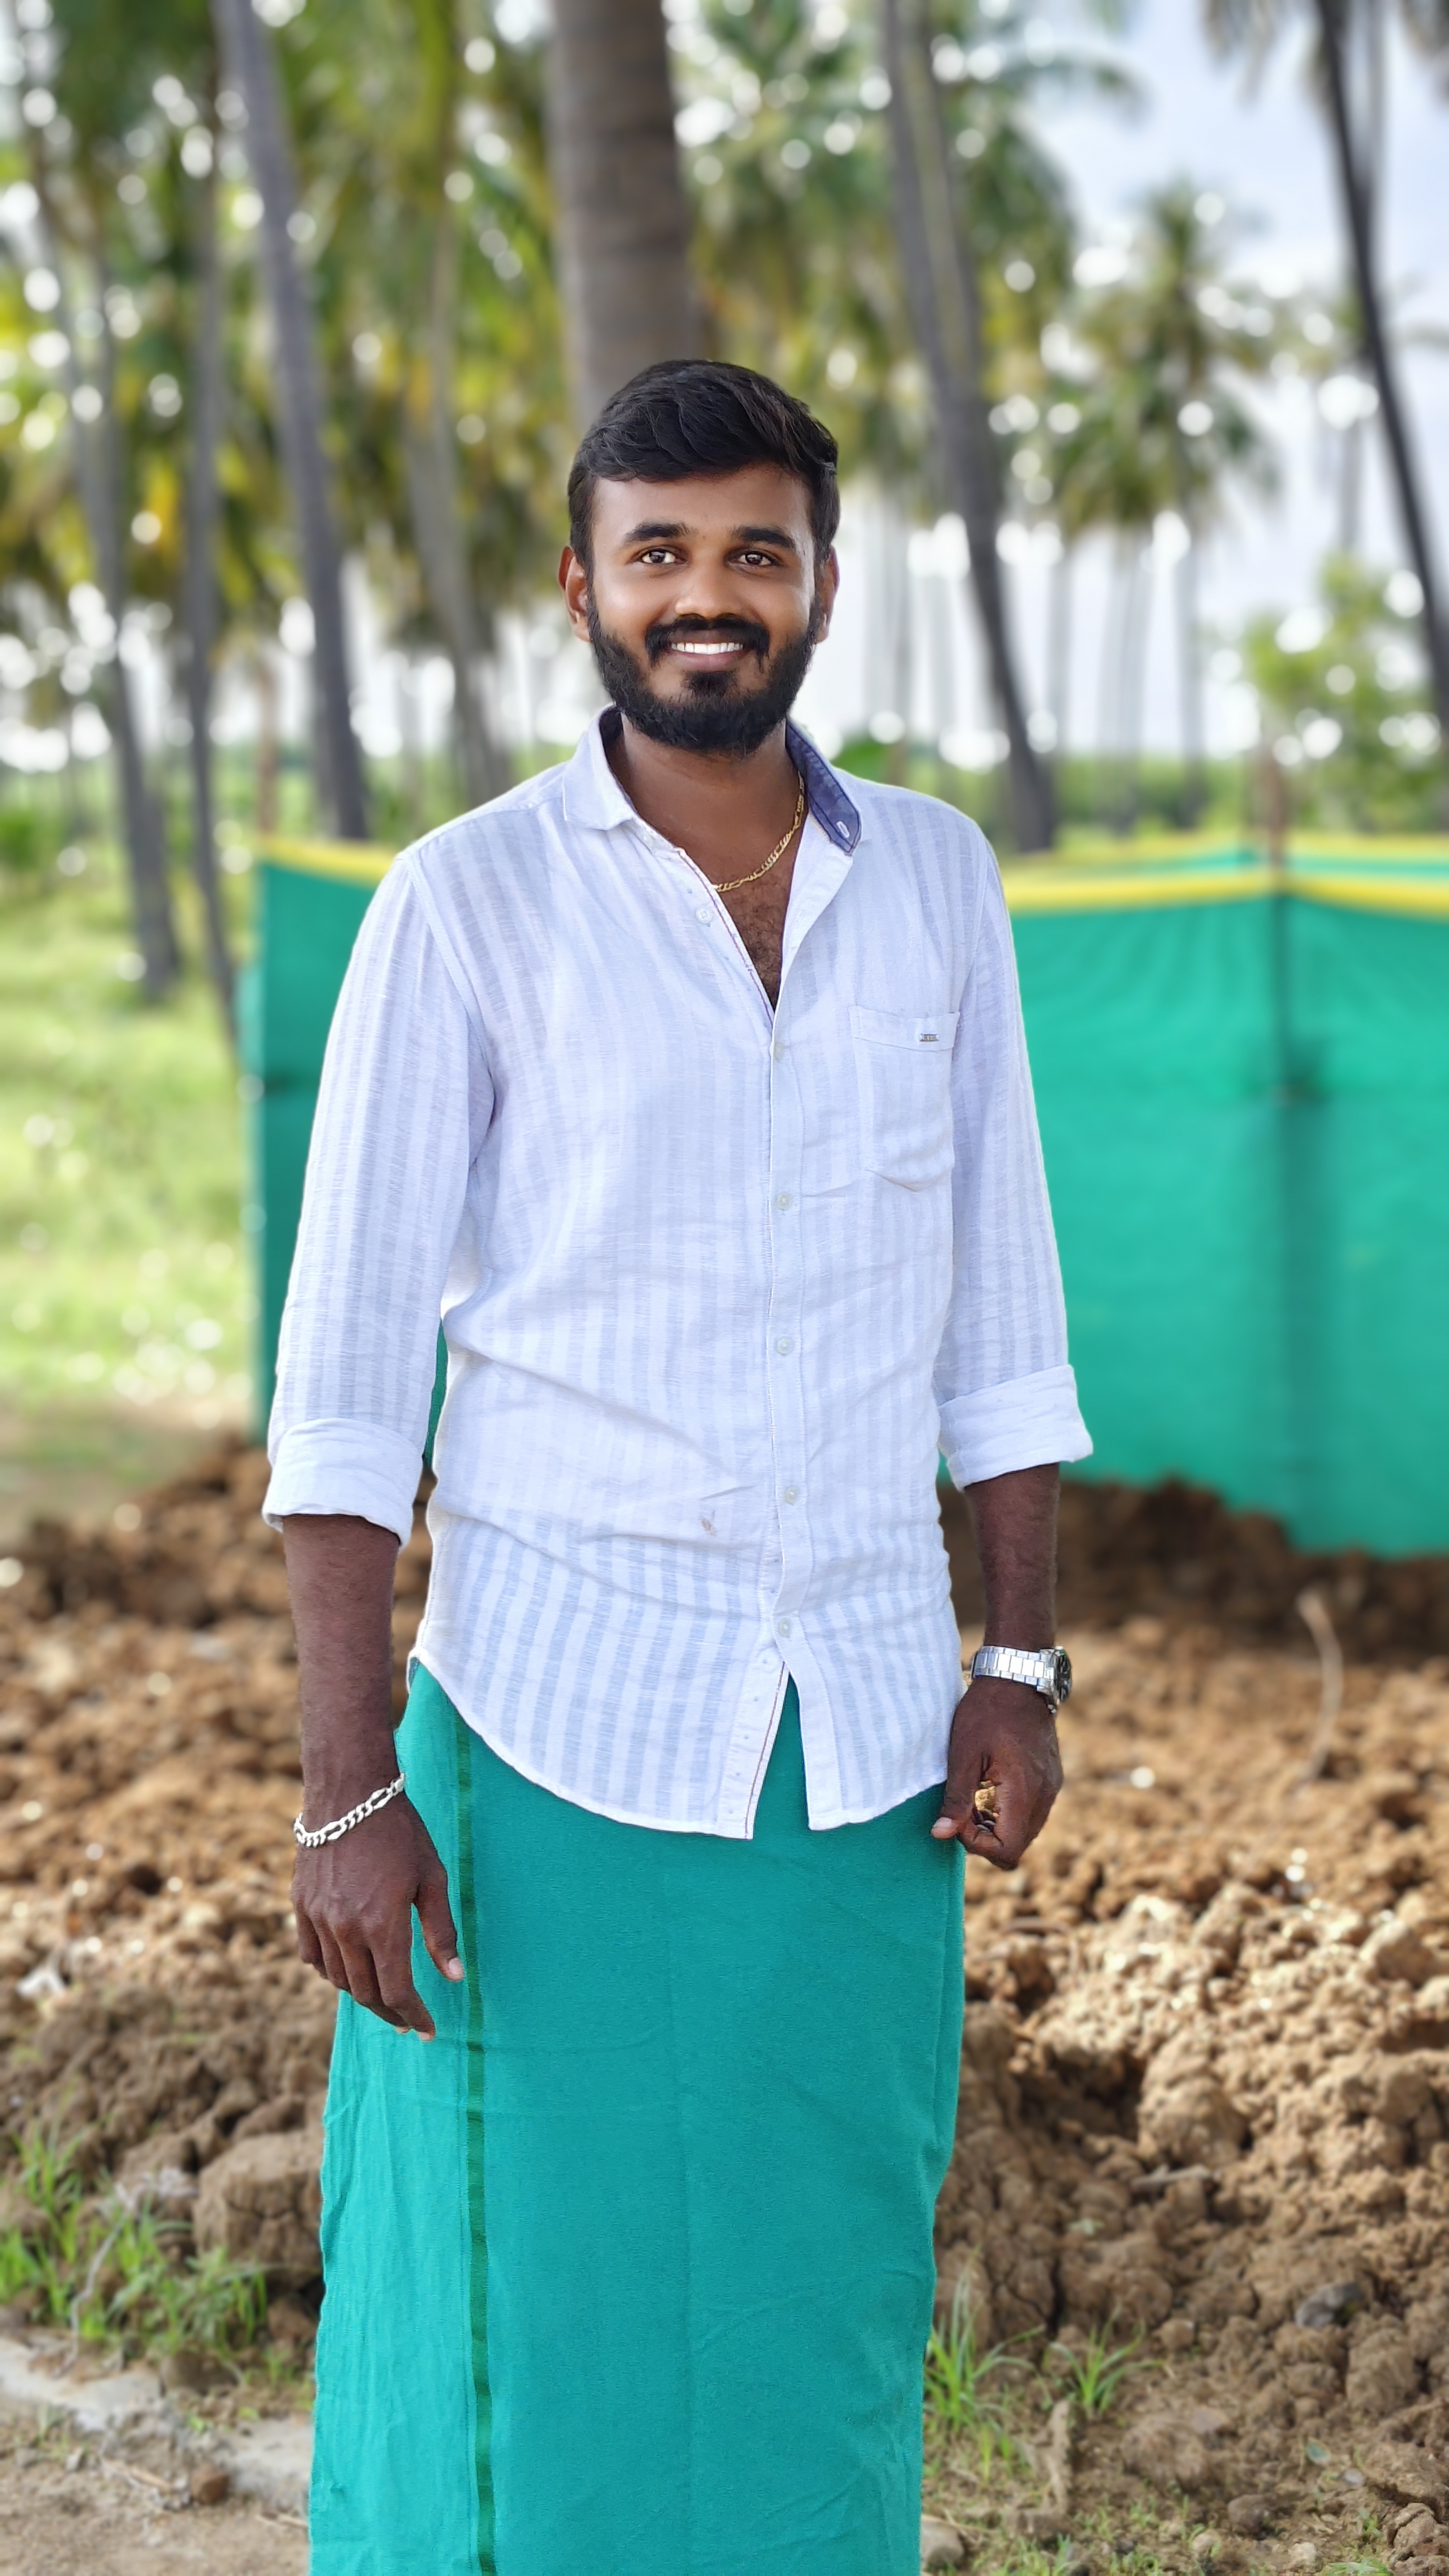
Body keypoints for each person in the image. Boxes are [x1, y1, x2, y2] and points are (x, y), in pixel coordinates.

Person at [267, 358, 1091, 2576]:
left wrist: (1020, 1659)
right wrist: (348, 1794)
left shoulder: (938, 883)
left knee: (818, 2314)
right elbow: (348, 1396)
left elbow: (1004, 1314)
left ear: (821, 582)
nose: (706, 597)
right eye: (660, 555)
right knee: (541, 2331)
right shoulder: (462, 905)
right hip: (549, 1741)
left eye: (754, 553)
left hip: (866, 1756)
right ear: (583, 588)